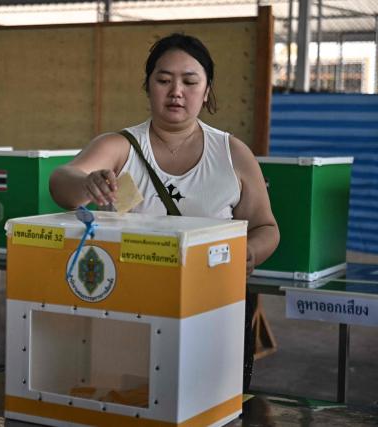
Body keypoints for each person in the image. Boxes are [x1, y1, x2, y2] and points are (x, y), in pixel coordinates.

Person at [49, 33, 280, 391]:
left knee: (211, 399)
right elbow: (62, 180)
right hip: (130, 302)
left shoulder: (232, 153)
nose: (176, 91)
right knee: (130, 395)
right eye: (163, 80)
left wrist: (248, 252)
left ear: (206, 91)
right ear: (148, 86)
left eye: (190, 82)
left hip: (215, 304)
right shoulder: (120, 147)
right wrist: (86, 184)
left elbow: (266, 226)